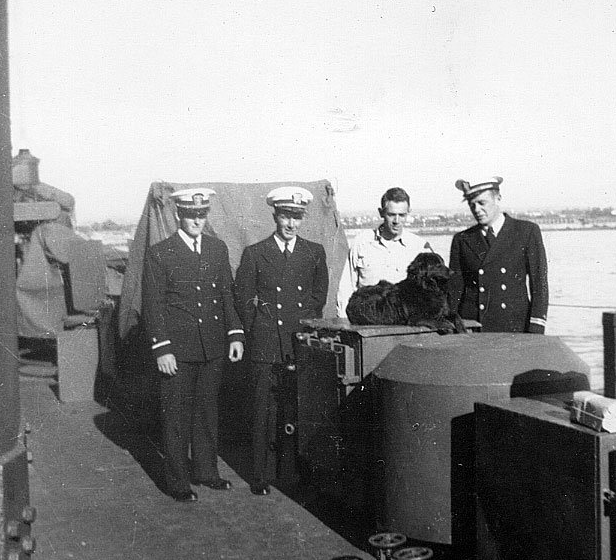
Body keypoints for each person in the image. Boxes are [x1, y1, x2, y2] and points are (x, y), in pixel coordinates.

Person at [142, 188, 244, 502]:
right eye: (190, 215)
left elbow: (226, 294)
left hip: (212, 345)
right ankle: (178, 482)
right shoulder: (161, 252)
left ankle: (206, 472)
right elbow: (153, 304)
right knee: (176, 416)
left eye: (201, 214)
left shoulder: (216, 248)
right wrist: (162, 348)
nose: (197, 221)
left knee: (207, 411)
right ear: (178, 215)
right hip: (178, 349)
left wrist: (235, 333)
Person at [234, 187, 329, 495]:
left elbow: (318, 297)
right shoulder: (255, 253)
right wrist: (258, 330)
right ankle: (261, 475)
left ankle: (294, 474)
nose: (291, 224)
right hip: (266, 343)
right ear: (275, 216)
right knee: (263, 410)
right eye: (286, 216)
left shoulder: (314, 252)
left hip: (298, 342)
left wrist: (303, 327)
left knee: (298, 409)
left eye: (297, 217)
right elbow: (243, 298)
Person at [449, 176, 548, 333]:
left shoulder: (526, 232)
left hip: (514, 326)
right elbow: (455, 289)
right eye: (472, 205)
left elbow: (539, 284)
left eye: (482, 203)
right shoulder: (462, 239)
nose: (476, 210)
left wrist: (536, 327)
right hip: (473, 327)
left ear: (498, 198)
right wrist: (452, 327)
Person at [336, 186, 431, 317]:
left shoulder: (418, 247)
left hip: (405, 321)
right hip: (366, 320)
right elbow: (346, 287)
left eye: (402, 215)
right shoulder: (361, 243)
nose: (397, 221)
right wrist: (344, 321)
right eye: (391, 215)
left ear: (408, 213)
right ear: (381, 213)